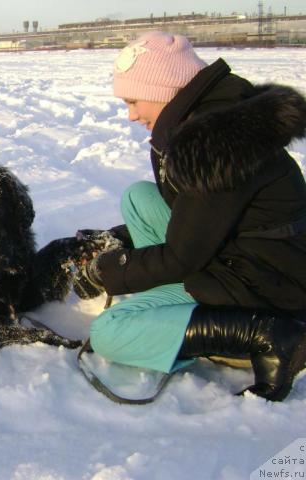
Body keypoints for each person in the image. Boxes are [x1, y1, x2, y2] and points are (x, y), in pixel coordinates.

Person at [72, 31, 306, 402]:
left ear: (165, 89)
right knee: (138, 198)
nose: (131, 115)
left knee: (108, 333)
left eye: (133, 100)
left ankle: (266, 334)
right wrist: (128, 251)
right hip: (253, 257)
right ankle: (178, 307)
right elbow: (199, 215)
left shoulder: (213, 143)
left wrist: (109, 270)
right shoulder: (204, 120)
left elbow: (183, 255)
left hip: (269, 288)